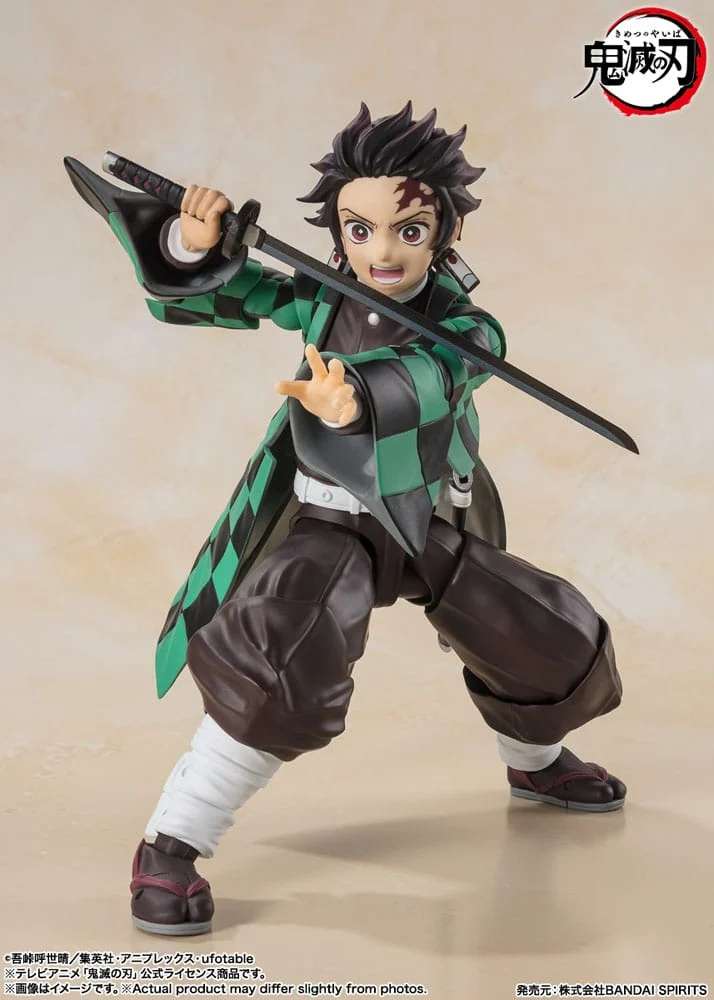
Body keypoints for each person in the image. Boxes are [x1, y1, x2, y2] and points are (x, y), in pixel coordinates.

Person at [85, 103, 626, 936]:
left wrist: (360, 396)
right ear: (336, 231)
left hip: (428, 520)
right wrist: (195, 246)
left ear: (445, 233)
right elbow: (231, 295)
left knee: (540, 634)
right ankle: (171, 842)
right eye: (360, 230)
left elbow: (442, 372)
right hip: (331, 521)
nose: (382, 253)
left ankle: (536, 764)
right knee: (276, 662)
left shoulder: (464, 323)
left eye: (409, 231)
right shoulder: (319, 295)